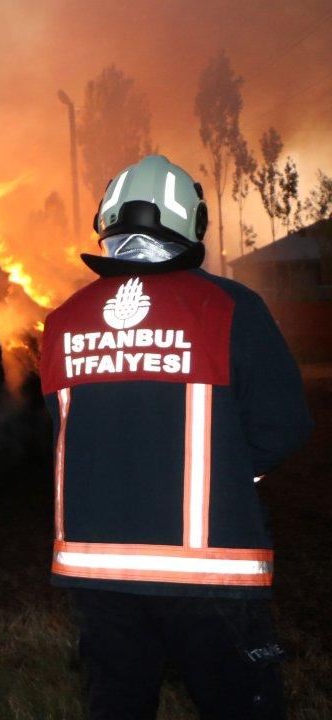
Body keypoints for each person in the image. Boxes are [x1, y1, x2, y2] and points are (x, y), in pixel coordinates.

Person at [38, 155, 312, 719]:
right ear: (193, 221)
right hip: (211, 570)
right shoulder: (230, 307)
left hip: (98, 571)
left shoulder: (62, 320)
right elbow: (283, 425)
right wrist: (230, 469)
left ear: (106, 221)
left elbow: (64, 427)